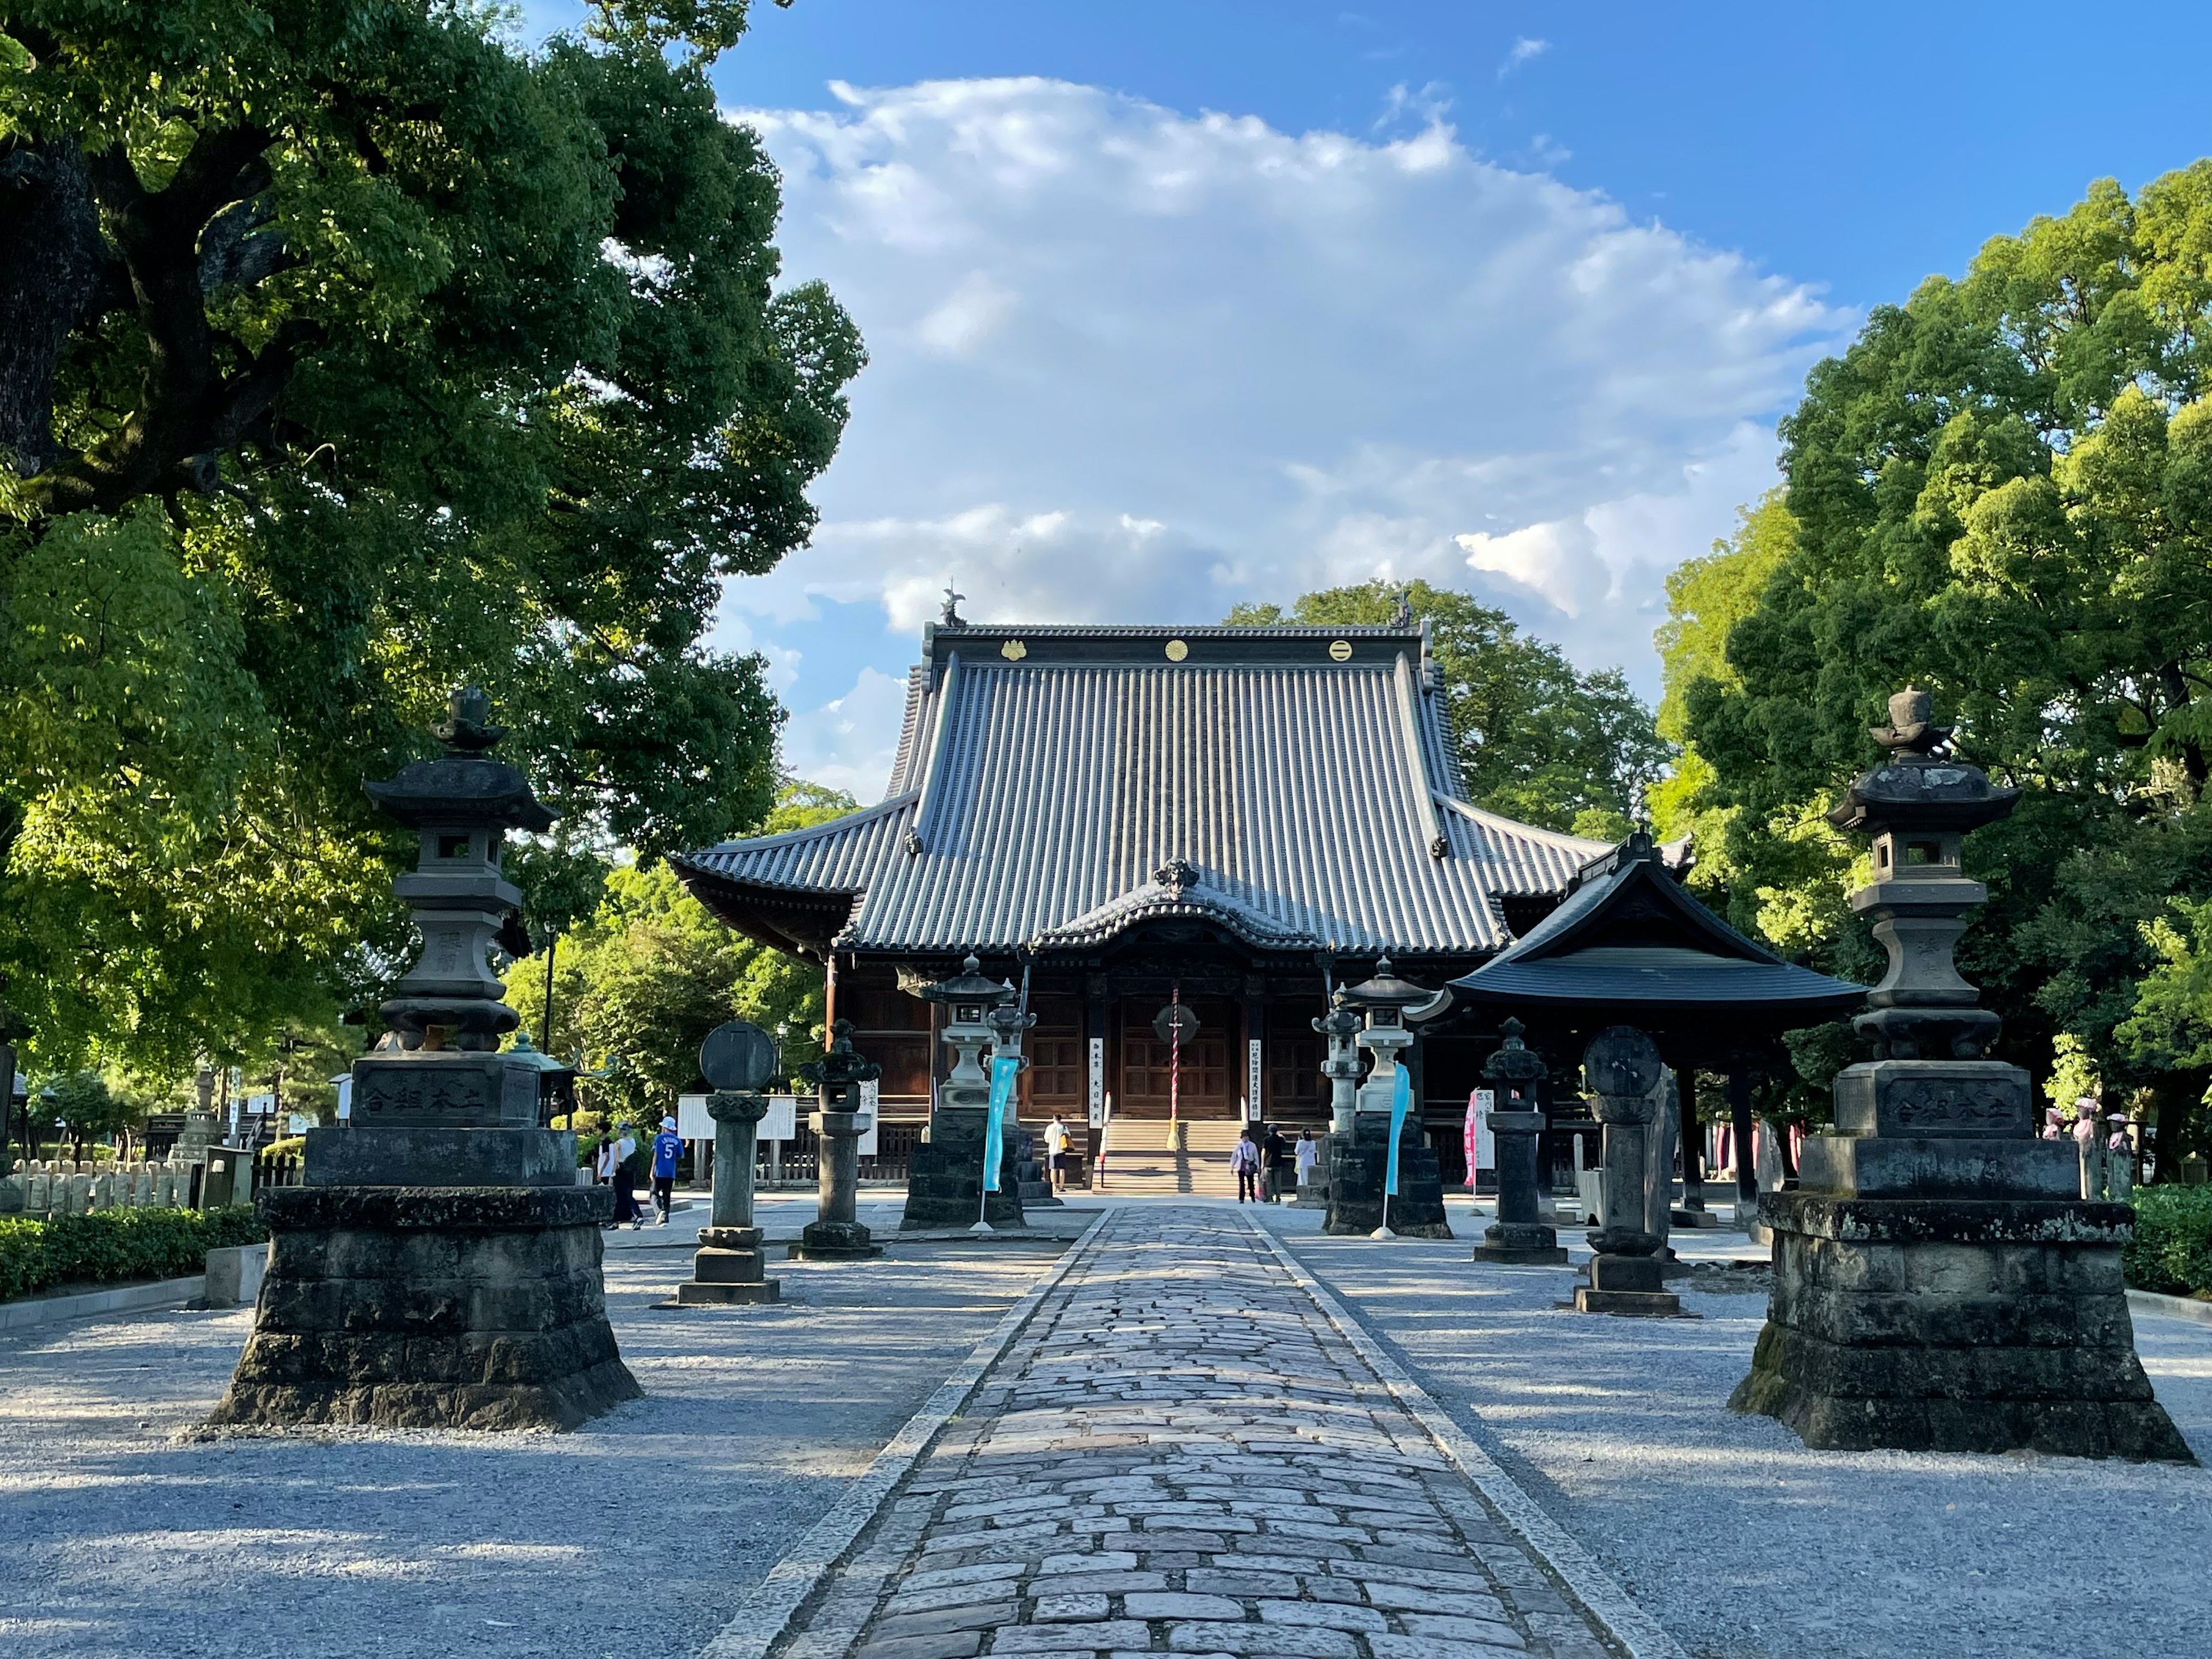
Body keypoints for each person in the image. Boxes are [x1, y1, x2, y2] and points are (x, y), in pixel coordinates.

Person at [650, 1115, 683, 1226]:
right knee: (667, 1195)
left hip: (659, 1170)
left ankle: (659, 1211)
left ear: (664, 1127)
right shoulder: (677, 1140)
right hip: (671, 1171)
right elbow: (681, 1155)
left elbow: (656, 1154)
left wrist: (652, 1170)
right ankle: (666, 1218)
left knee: (654, 1193)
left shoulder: (659, 1138)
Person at [1230, 1128, 1262, 1203]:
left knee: (1251, 1182)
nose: (1245, 1138)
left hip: (1250, 1165)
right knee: (1241, 1183)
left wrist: (1257, 1166)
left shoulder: (1253, 1146)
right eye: (1244, 1137)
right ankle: (1241, 1198)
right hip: (1241, 1166)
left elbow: (1256, 1156)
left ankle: (1252, 1196)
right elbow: (1234, 1157)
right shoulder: (1239, 1146)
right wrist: (1232, 1166)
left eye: (1247, 1136)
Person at [1044, 1115, 1071, 1192]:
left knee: (1053, 1169)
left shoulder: (1049, 1128)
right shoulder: (1064, 1127)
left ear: (1054, 1119)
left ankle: (1054, 1186)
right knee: (1062, 1169)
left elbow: (1047, 1139)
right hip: (1062, 1150)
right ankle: (1062, 1186)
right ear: (1060, 1119)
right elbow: (1068, 1136)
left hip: (1052, 1150)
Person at [1262, 1122, 1287, 1202]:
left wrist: (1262, 1164)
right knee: (1278, 1182)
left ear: (1269, 1131)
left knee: (1269, 1182)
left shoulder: (1267, 1140)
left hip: (1268, 1162)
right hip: (1278, 1162)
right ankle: (1278, 1197)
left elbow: (1264, 1152)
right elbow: (1284, 1144)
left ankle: (1270, 1198)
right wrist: (1281, 1136)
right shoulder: (1280, 1139)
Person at [1294, 1128, 1320, 1197]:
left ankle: (1303, 1194)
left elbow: (1296, 1152)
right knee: (1310, 1180)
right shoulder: (1313, 1143)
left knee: (1303, 1180)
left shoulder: (1300, 1142)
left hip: (1303, 1162)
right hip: (1312, 1162)